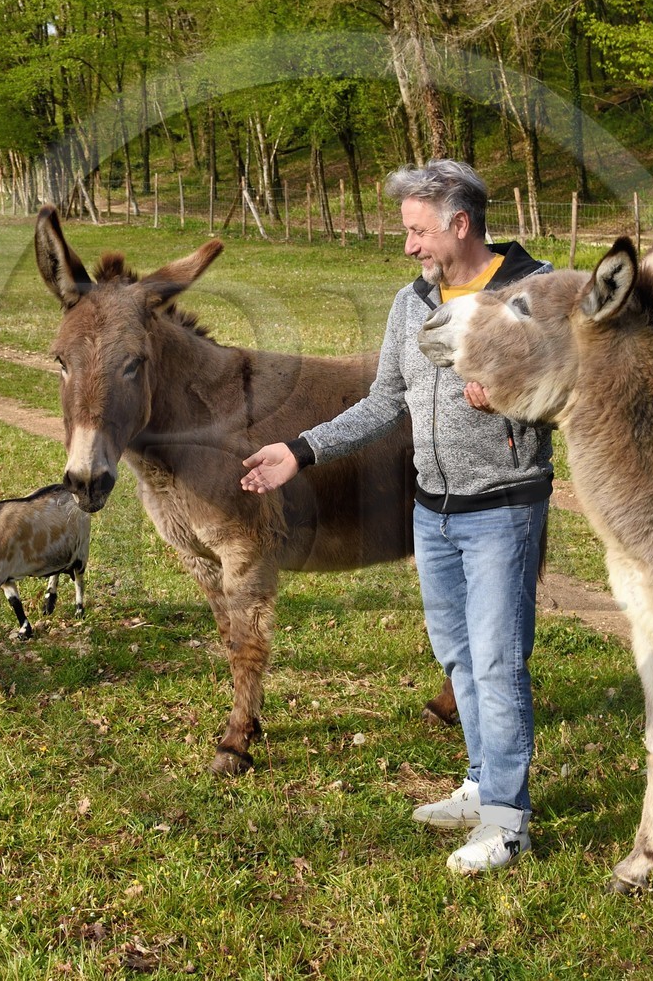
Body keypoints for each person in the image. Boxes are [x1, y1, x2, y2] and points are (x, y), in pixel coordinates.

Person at [241, 159, 553, 874]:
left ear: (460, 224)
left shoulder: (532, 293)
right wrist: (300, 450)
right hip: (432, 512)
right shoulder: (412, 303)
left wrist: (505, 393)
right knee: (461, 656)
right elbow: (385, 401)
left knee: (499, 662)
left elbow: (569, 390)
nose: (408, 245)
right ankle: (483, 782)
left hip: (503, 508)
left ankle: (509, 824)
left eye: (417, 230)